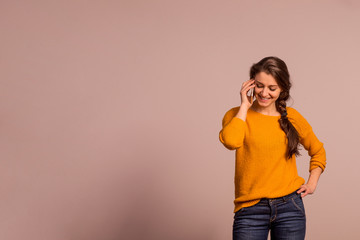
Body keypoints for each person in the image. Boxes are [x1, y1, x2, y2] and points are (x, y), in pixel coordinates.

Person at [218, 56, 327, 240]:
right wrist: (245, 105)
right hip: (250, 210)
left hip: (290, 208)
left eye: (272, 88)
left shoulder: (292, 118)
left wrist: (312, 183)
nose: (264, 93)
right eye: (259, 85)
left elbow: (318, 151)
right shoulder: (236, 115)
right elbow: (231, 141)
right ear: (251, 83)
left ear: (282, 88)